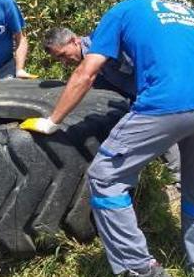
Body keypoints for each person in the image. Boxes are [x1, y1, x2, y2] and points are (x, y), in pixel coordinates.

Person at [22, 0, 194, 277]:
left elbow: (87, 71)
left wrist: (53, 121)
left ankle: (141, 271)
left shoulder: (122, 11)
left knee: (105, 177)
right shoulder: (188, 12)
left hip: (167, 101)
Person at [42, 27, 182, 188]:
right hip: (134, 96)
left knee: (162, 130)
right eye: (58, 59)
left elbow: (139, 63)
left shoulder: (103, 44)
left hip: (153, 92)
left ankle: (180, 179)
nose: (64, 62)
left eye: (63, 55)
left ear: (75, 41)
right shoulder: (90, 61)